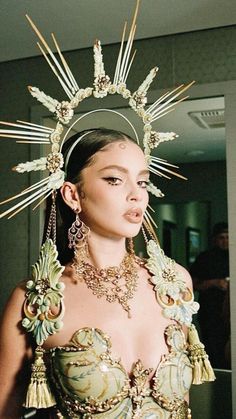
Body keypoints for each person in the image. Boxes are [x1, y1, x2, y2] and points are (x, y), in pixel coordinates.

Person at [0, 5, 215, 418]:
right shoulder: (35, 303)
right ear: (73, 195)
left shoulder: (175, 285)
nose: (136, 194)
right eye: (115, 179)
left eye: (142, 180)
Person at [190, 222, 230, 369]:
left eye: (228, 237)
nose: (225, 241)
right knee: (213, 349)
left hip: (230, 312)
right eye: (221, 237)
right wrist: (214, 283)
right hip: (211, 311)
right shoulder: (205, 258)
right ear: (215, 239)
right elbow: (193, 284)